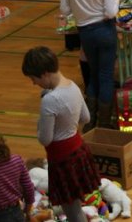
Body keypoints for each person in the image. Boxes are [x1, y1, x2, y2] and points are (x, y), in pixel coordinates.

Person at [21, 46, 101, 222]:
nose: (34, 83)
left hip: (62, 159)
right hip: (79, 151)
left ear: (44, 73)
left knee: (72, 212)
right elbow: (86, 118)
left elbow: (45, 139)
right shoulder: (73, 86)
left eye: (34, 78)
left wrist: (40, 122)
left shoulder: (50, 100)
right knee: (76, 207)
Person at [60, 0, 119, 131]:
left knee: (93, 75)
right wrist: (118, 0)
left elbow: (65, 10)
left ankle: (90, 122)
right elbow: (110, 12)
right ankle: (104, 122)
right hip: (105, 31)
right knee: (106, 76)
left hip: (85, 32)